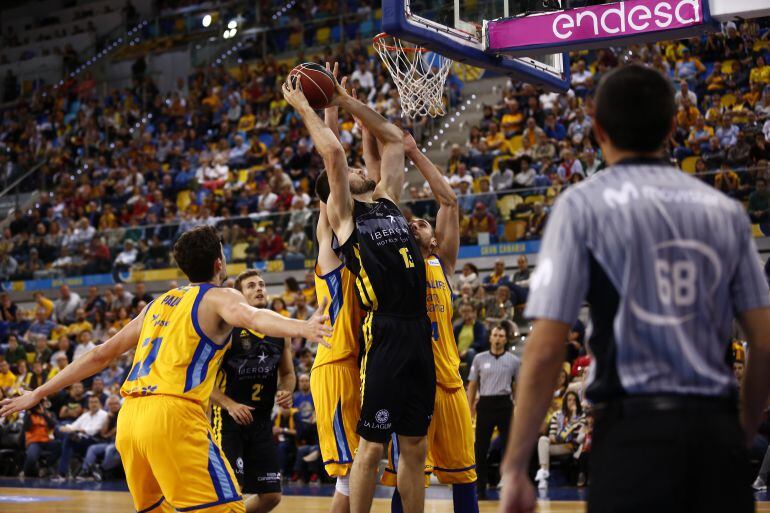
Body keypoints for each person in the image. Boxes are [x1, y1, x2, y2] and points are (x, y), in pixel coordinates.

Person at [500, 65, 770, 513]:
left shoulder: (581, 205)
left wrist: (514, 466)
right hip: (715, 438)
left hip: (631, 439)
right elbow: (763, 341)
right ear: (671, 128)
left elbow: (546, 348)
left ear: (598, 129)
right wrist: (740, 430)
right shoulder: (725, 212)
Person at [0, 225, 331, 513]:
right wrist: (302, 327)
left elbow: (100, 354)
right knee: (228, 509)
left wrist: (39, 392)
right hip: (174, 415)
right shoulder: (220, 297)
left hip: (130, 422)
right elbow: (256, 318)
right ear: (220, 263)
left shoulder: (159, 303)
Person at [283, 73, 434, 513]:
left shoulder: (387, 199)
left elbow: (392, 139)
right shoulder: (343, 216)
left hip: (418, 330)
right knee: (370, 447)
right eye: (348, 172)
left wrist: (345, 100)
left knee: (416, 445)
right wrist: (308, 107)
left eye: (354, 168)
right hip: (383, 330)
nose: (353, 170)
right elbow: (331, 151)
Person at [383, 132, 478, 512]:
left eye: (422, 224)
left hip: (450, 383)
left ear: (434, 240)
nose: (415, 225)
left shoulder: (443, 264)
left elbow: (449, 201)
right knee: (409, 472)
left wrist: (414, 153)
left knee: (465, 475)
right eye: (411, 224)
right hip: (410, 383)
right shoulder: (394, 266)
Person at [307, 88, 366, 513]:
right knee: (347, 477)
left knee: (359, 473)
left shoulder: (360, 241)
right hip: (335, 366)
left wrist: (336, 110)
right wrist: (327, 114)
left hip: (355, 364)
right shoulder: (329, 253)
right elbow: (335, 170)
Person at [210, 270, 296, 513]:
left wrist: (286, 391)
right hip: (229, 420)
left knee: (271, 496)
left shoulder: (279, 330)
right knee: (230, 492)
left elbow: (288, 374)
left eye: (261, 284)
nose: (258, 288)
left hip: (261, 421)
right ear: (239, 295)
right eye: (250, 286)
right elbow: (204, 382)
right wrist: (229, 404)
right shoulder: (226, 330)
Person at [467, 324, 520, 499]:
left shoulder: (514, 360)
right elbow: (473, 385)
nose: (497, 338)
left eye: (501, 336)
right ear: (490, 337)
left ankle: (508, 486)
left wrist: (519, 406)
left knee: (508, 448)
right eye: (495, 335)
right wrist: (469, 408)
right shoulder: (479, 359)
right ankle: (480, 488)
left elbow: (517, 387)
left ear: (506, 339)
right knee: (480, 449)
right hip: (485, 405)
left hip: (505, 405)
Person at [535, 390, 586, 489]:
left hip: (571, 447)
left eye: (574, 400)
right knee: (542, 440)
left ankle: (543, 478)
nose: (572, 402)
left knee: (544, 448)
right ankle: (543, 477)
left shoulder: (581, 416)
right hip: (558, 445)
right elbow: (552, 435)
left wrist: (574, 416)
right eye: (569, 400)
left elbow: (576, 438)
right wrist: (556, 438)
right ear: (565, 402)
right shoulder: (557, 415)